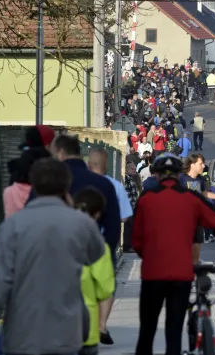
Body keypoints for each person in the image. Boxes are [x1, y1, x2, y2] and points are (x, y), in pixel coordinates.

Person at [0, 158, 106, 355]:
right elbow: (96, 253)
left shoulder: (13, 226)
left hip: (22, 334)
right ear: (67, 185)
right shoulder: (81, 224)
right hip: (67, 333)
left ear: (33, 184)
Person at [132, 153, 215, 355]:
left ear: (157, 176)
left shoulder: (146, 200)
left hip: (152, 275)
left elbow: (136, 239)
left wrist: (149, 255)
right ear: (178, 175)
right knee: (174, 331)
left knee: (147, 331)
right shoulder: (191, 199)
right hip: (181, 275)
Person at [46, 135, 122, 270]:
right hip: (92, 260)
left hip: (56, 260)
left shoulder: (49, 182)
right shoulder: (103, 183)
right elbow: (113, 227)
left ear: (61, 153)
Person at [85, 147, 133, 345]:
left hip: (78, 244)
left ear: (89, 163)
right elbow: (125, 216)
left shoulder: (78, 182)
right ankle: (102, 325)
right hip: (105, 245)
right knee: (107, 286)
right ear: (106, 165)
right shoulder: (115, 186)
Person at [72, 187, 116, 355]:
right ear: (97, 215)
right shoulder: (99, 247)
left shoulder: (54, 238)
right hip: (86, 327)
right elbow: (106, 289)